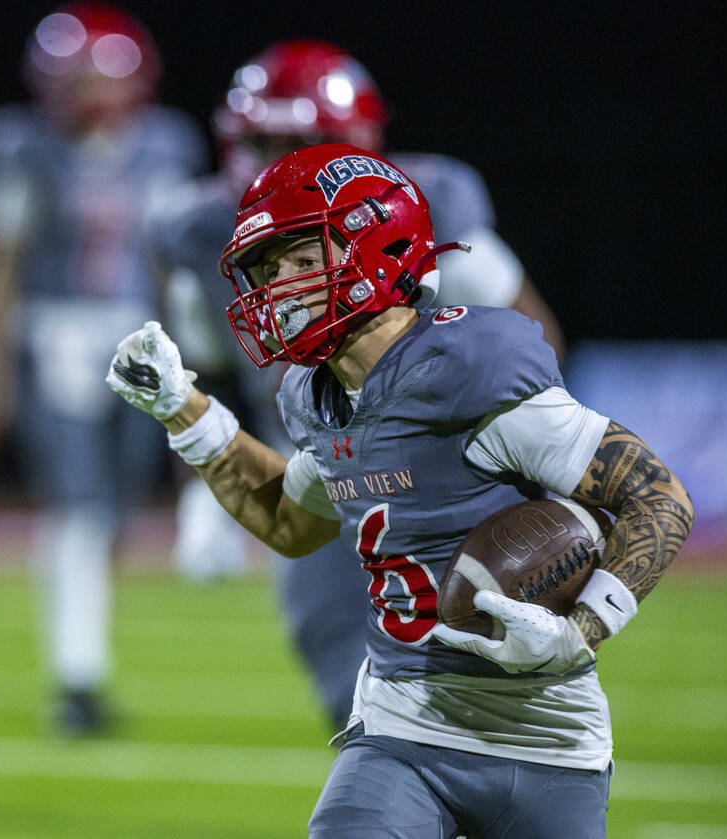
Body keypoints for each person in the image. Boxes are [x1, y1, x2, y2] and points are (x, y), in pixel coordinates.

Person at [107, 143, 693, 836]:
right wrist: (184, 408)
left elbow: (658, 496)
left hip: (547, 740)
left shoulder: (471, 370)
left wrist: (580, 629)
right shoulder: (316, 395)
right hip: (399, 728)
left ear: (376, 251)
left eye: (300, 260)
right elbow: (289, 522)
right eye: (267, 269)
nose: (277, 287)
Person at [153, 39, 566, 728]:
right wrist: (200, 498)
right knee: (353, 698)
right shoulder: (200, 232)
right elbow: (211, 369)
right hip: (327, 477)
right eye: (262, 142)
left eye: (307, 143)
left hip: (450, 483)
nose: (280, 164)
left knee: (485, 698)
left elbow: (532, 340)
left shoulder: (424, 208)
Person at [0, 3, 207, 735]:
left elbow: (175, 267)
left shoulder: (165, 145)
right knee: (76, 505)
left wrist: (189, 358)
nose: (88, 90)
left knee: (118, 507)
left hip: (138, 335)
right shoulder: (22, 148)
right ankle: (78, 678)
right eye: (75, 75)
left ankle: (83, 665)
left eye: (100, 74)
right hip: (55, 330)